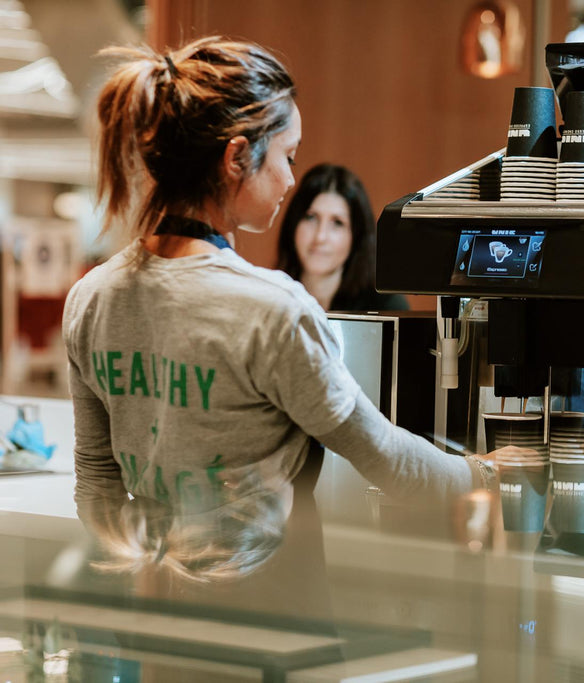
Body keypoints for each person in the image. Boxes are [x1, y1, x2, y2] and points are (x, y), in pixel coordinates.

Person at [61, 37, 493, 516]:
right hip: (268, 585)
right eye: (287, 157)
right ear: (237, 157)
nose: (290, 180)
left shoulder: (90, 296)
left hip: (153, 582)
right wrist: (490, 473)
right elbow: (386, 457)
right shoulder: (275, 311)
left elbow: (97, 486)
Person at [276, 164, 407, 312]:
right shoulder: (273, 294)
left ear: (356, 236)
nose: (320, 237)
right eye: (311, 217)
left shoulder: (385, 306)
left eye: (337, 223)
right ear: (293, 223)